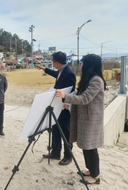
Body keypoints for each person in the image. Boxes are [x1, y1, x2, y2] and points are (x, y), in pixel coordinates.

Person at [55, 54, 106, 185]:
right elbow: (79, 95)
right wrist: (69, 100)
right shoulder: (90, 79)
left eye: (83, 63)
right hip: (85, 118)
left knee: (90, 147)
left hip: (91, 120)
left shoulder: (96, 81)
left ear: (90, 65)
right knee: (85, 146)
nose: (81, 66)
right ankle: (90, 170)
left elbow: (84, 99)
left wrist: (65, 96)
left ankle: (95, 176)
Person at [37, 51, 76, 165]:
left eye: (53, 61)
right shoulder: (61, 71)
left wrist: (67, 102)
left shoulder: (69, 73)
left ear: (57, 62)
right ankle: (55, 152)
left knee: (65, 131)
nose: (52, 63)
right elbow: (56, 75)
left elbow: (71, 90)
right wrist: (44, 69)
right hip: (57, 105)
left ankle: (68, 156)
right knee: (55, 128)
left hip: (64, 106)